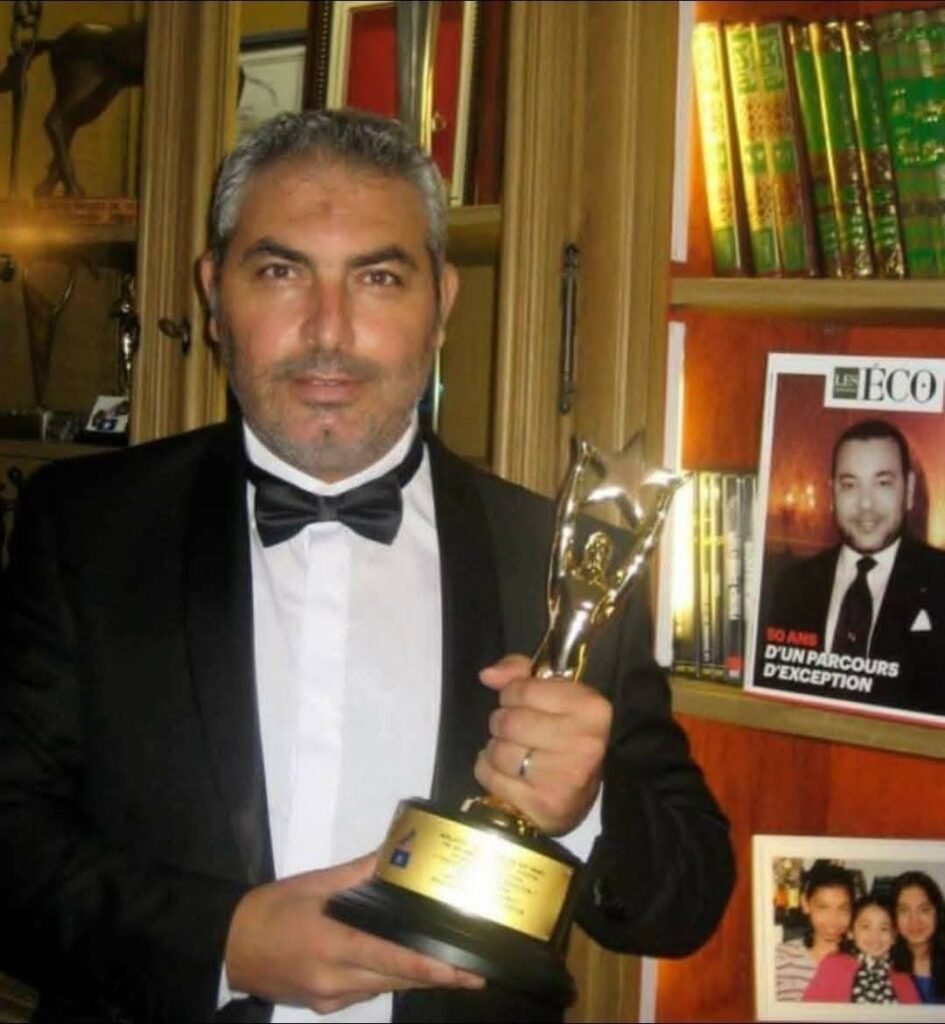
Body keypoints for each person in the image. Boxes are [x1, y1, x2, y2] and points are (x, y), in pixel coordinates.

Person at [0, 109, 734, 1023]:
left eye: (378, 278)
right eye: (280, 272)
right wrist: (221, 942)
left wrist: (583, 808)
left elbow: (685, 901)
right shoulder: (84, 528)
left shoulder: (559, 553)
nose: (328, 331)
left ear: (442, 303)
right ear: (213, 295)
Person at [762, 418, 945, 714]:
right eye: (850, 485)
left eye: (882, 483)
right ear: (832, 493)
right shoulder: (794, 584)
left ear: (909, 490)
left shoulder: (939, 580)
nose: (865, 505)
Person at [803, 894, 920, 1004]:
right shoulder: (833, 965)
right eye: (866, 927)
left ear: (894, 935)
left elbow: (917, 1015)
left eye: (884, 928)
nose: (875, 936)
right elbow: (808, 1011)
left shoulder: (902, 976)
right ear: (850, 932)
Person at [774, 862, 855, 1001]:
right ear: (805, 903)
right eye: (823, 907)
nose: (833, 919)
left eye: (843, 909)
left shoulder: (860, 962)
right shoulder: (781, 957)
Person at [891, 870, 945, 1003]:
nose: (914, 921)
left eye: (923, 910)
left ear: (937, 913)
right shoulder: (884, 966)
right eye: (904, 910)